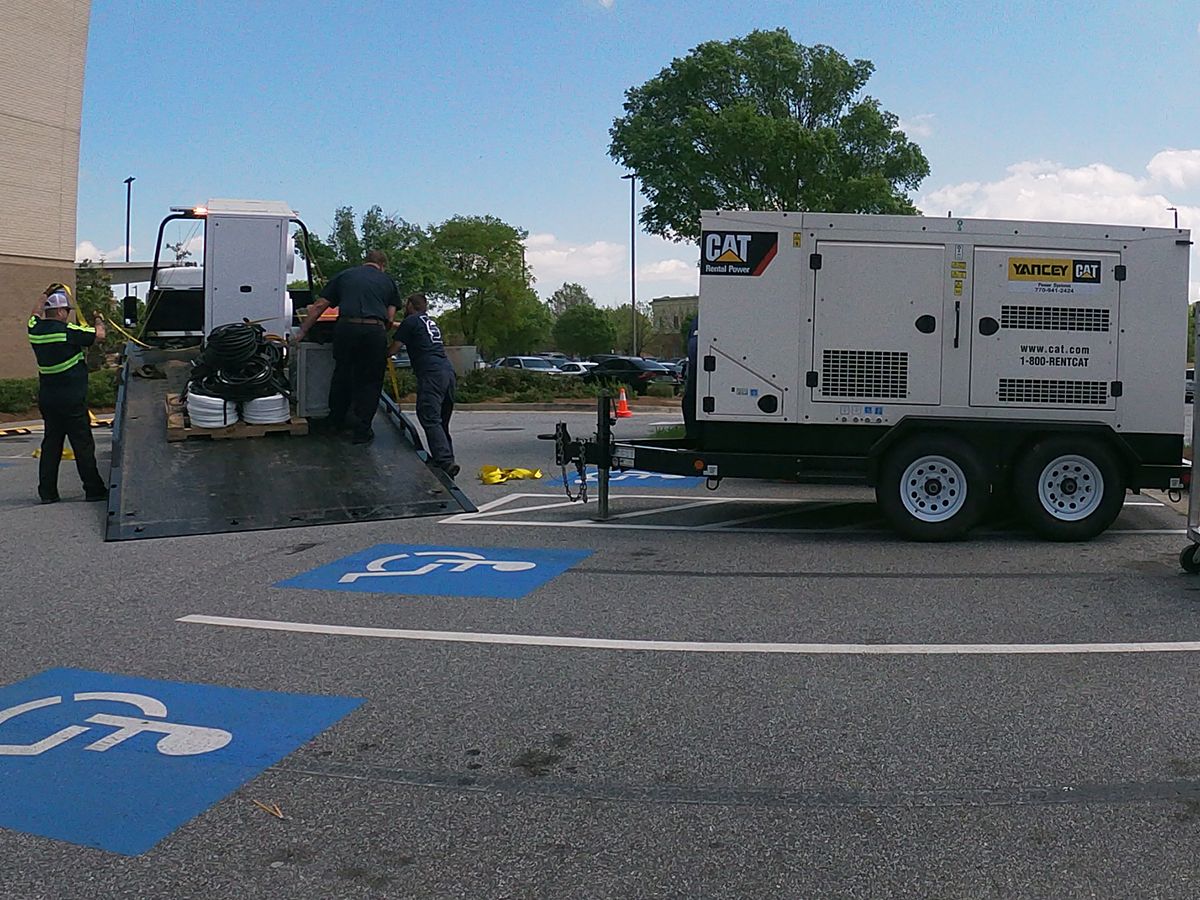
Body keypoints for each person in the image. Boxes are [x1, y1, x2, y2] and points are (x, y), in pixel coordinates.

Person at [295, 249, 398, 443]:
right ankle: (362, 430)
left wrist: (301, 332)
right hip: (374, 331)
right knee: (370, 381)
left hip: (346, 329)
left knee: (342, 374)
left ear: (364, 261)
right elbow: (390, 319)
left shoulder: (345, 276)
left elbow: (319, 306)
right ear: (382, 266)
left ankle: (335, 423)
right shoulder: (388, 282)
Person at [27, 284, 108, 504]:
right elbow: (99, 336)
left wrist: (44, 294)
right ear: (61, 311)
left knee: (51, 445)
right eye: (68, 311)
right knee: (82, 444)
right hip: (72, 398)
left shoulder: (34, 329)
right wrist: (99, 319)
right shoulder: (68, 331)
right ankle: (94, 490)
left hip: (48, 398)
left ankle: (48, 493)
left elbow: (33, 313)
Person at [390, 292, 458, 478]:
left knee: (428, 416)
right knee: (440, 421)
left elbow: (395, 346)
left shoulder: (410, 321)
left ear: (411, 305)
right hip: (448, 372)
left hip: (431, 373)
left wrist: (383, 356)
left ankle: (444, 461)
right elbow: (406, 328)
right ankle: (448, 459)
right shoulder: (430, 322)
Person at [682, 312, 699, 439]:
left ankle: (693, 436)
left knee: (689, 401)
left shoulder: (698, 321)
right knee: (689, 401)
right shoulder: (699, 321)